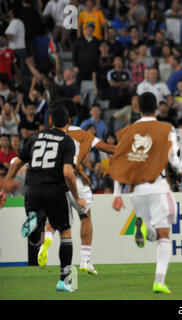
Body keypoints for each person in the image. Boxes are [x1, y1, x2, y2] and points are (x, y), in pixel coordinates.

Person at [0, 105, 86, 292]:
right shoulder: (67, 141)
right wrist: (77, 197)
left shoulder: (36, 137)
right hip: (55, 189)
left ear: (50, 121)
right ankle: (64, 280)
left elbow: (16, 164)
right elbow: (68, 173)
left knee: (37, 234)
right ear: (69, 122)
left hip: (32, 189)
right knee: (65, 233)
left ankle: (35, 222)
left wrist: (5, 190)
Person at [109, 92, 182, 294]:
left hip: (136, 192)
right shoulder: (167, 129)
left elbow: (118, 164)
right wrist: (181, 170)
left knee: (153, 233)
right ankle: (159, 281)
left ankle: (143, 227)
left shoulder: (128, 131)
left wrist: (117, 194)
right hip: (157, 187)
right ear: (156, 108)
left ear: (138, 108)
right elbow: (174, 161)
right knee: (165, 237)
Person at [37, 100, 116, 275]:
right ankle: (86, 260)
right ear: (70, 119)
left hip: (52, 180)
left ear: (52, 120)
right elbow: (107, 148)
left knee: (54, 217)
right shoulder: (83, 134)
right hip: (75, 179)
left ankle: (47, 239)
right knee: (85, 216)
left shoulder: (45, 135)